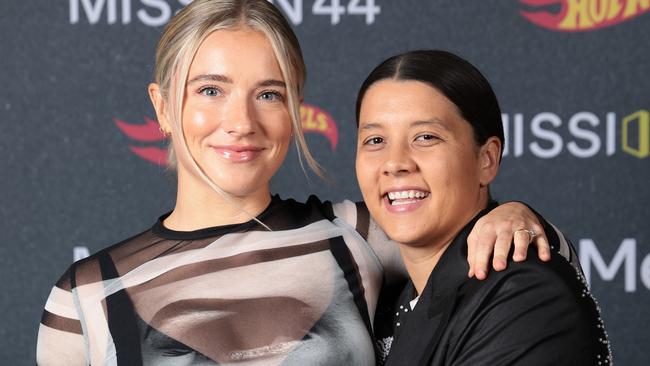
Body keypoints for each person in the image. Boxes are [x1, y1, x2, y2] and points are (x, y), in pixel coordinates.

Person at [37, 1, 558, 365]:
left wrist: (513, 214)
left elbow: (515, 272)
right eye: (211, 89)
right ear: (162, 106)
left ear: (295, 111)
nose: (240, 122)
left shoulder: (357, 236)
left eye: (269, 94)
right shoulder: (85, 295)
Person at [355, 50, 612, 366]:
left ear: (486, 159)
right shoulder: (386, 300)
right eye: (375, 140)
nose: (395, 163)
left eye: (425, 137)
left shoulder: (523, 294)